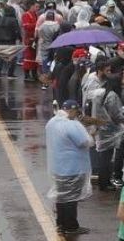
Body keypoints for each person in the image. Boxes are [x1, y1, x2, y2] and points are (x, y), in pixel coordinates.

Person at [46, 99, 93, 235]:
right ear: (72, 110)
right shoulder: (71, 125)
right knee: (72, 199)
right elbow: (84, 142)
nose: (77, 114)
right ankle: (71, 226)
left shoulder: (52, 122)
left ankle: (61, 223)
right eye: (76, 111)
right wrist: (92, 135)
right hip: (73, 168)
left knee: (61, 197)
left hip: (57, 167)